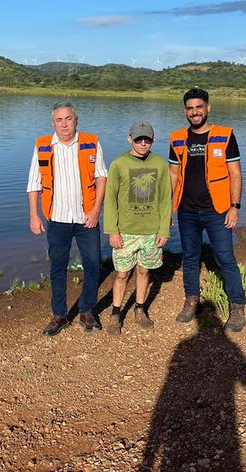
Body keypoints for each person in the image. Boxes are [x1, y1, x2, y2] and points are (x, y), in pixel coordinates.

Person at [169, 88, 246, 332]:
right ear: (185, 111)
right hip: (187, 211)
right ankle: (192, 299)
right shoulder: (177, 138)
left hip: (218, 210)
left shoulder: (225, 136)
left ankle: (237, 305)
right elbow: (173, 174)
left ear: (208, 108)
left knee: (225, 258)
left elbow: (235, 173)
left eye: (199, 107)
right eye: (190, 108)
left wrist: (234, 207)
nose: (195, 112)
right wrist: (167, 208)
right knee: (190, 258)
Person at [27, 102, 108, 336]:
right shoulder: (43, 146)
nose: (64, 124)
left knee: (93, 265)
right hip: (57, 219)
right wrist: (34, 215)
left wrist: (95, 211)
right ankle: (60, 314)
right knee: (58, 267)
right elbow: (34, 184)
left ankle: (87, 310)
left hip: (87, 219)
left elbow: (102, 177)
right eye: (59, 120)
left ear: (76, 120)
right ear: (53, 123)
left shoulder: (91, 142)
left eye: (68, 119)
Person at [103, 122, 172, 335]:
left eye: (147, 139)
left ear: (153, 140)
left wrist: (164, 230)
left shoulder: (160, 164)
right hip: (126, 231)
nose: (143, 143)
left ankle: (140, 308)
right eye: (139, 139)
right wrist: (112, 231)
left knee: (144, 270)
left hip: (151, 231)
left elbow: (164, 199)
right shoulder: (119, 164)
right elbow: (111, 200)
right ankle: (116, 313)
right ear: (129, 139)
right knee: (123, 274)